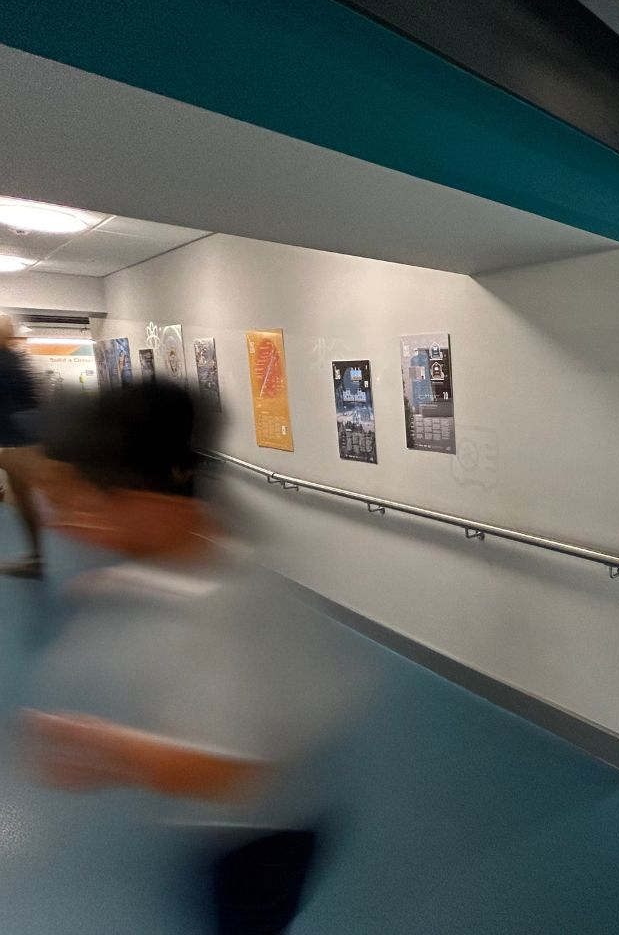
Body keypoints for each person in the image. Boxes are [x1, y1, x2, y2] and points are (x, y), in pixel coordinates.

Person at [22, 384, 370, 933]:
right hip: (220, 827)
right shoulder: (190, 562)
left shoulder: (230, 607)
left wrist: (100, 746)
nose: (67, 525)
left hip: (261, 835)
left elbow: (229, 771)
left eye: (83, 503)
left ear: (147, 501)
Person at [0, 315, 43, 577]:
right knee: (24, 499)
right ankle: (35, 557)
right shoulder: (16, 361)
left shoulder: (7, 363)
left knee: (24, 499)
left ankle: (36, 558)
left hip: (14, 443)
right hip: (21, 441)